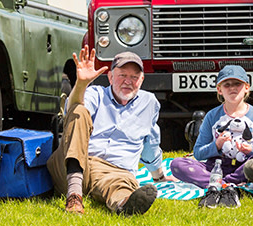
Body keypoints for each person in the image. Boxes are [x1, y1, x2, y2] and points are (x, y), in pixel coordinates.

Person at [47, 47, 173, 216]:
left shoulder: (149, 103)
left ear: (141, 80)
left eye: (134, 77)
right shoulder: (94, 93)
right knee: (79, 111)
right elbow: (72, 110)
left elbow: (150, 143)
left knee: (121, 186)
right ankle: (74, 195)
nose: (128, 81)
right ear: (110, 77)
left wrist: (158, 176)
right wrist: (82, 84)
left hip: (114, 172)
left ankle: (126, 204)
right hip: (74, 162)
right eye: (122, 75)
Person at [170, 64, 253, 208]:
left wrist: (250, 150)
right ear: (219, 90)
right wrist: (216, 145)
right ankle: (224, 185)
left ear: (247, 87)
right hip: (214, 167)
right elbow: (198, 153)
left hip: (242, 168)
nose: (232, 88)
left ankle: (224, 183)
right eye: (226, 85)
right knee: (177, 164)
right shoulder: (212, 116)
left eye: (237, 84)